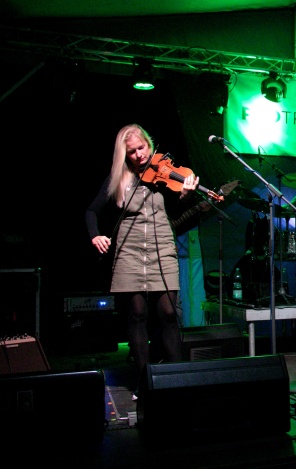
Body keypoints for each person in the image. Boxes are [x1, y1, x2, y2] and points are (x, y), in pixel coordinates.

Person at [86, 123, 199, 399]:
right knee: (137, 315)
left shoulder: (163, 172)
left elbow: (176, 212)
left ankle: (176, 379)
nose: (139, 155)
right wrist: (95, 235)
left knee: (169, 314)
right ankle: (144, 380)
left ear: (149, 144)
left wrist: (185, 197)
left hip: (162, 246)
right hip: (129, 249)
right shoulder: (119, 178)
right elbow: (91, 211)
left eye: (142, 148)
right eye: (132, 152)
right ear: (124, 155)